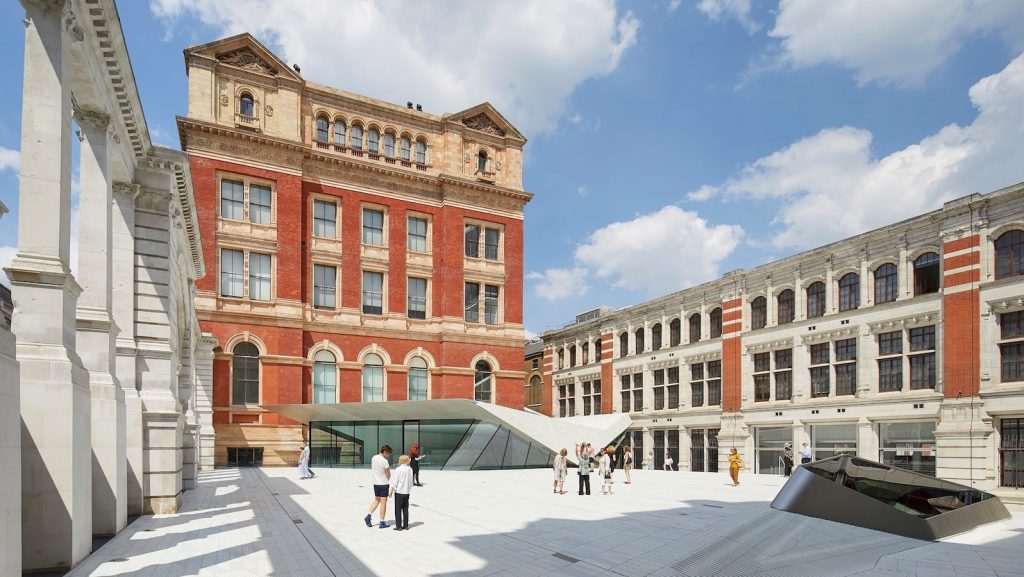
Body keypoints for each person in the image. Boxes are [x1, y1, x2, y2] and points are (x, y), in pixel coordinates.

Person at [364, 445, 393, 529]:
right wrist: (387, 480)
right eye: (388, 453)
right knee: (383, 503)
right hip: (383, 484)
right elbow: (388, 473)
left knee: (377, 500)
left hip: (376, 483)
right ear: (385, 452)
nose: (389, 455)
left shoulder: (374, 457)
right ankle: (382, 522)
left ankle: (368, 516)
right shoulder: (385, 461)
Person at [389, 454, 414, 531]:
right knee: (406, 508)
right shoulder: (410, 469)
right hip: (407, 491)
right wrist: (409, 488)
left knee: (398, 509)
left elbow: (395, 482)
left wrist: (391, 491)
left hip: (399, 491)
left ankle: (398, 526)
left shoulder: (398, 469)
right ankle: (406, 525)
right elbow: (411, 481)